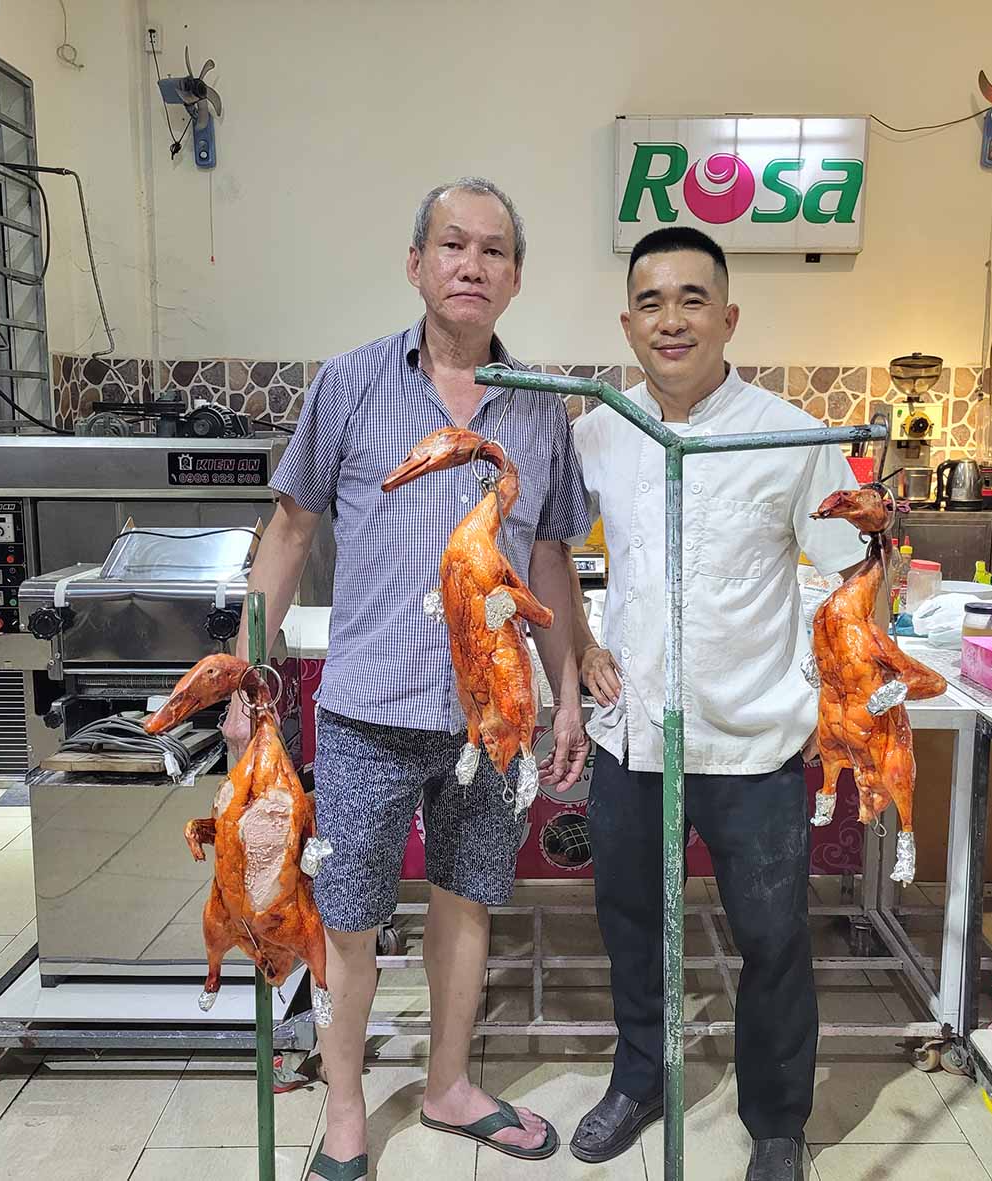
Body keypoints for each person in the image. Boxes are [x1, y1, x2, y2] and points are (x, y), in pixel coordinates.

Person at [222, 177, 594, 1181]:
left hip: (492, 718)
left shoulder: (542, 406)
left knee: (467, 900)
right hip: (365, 711)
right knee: (348, 912)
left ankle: (448, 1083)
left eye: (493, 250)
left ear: (515, 277)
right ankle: (344, 1111)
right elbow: (288, 532)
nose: (472, 265)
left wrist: (566, 692)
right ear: (416, 263)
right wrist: (247, 669)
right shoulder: (348, 384)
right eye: (452, 244)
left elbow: (549, 557)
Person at [566, 227, 867, 1181]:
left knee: (772, 938)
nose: (672, 319)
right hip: (631, 736)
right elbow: (543, 546)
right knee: (631, 923)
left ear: (728, 317)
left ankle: (776, 1119)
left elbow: (852, 570)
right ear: (627, 324)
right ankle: (641, 1078)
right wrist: (578, 643)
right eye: (651, 302)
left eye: (692, 299)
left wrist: (837, 691)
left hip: (753, 738)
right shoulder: (598, 432)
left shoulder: (792, 435)